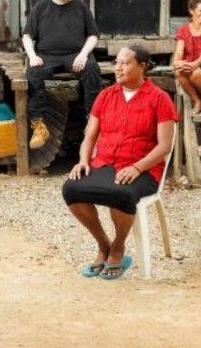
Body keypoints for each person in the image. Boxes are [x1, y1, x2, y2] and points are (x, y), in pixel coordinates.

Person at [62, 45, 178, 280]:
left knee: (121, 192)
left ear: (142, 66)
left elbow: (164, 145)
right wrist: (83, 160)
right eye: (117, 62)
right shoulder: (106, 96)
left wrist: (137, 167)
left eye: (125, 63)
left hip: (143, 167)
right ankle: (104, 245)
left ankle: (118, 247)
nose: (118, 67)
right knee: (72, 189)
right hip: (104, 162)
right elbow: (90, 136)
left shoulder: (159, 98)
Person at [22, 0, 102, 150]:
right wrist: (32, 56)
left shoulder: (81, 7)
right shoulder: (40, 7)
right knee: (33, 74)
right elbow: (27, 36)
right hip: (47, 56)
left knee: (92, 70)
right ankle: (39, 127)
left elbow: (93, 35)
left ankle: (93, 123)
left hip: (75, 55)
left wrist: (83, 54)